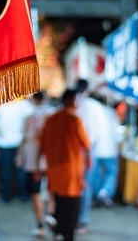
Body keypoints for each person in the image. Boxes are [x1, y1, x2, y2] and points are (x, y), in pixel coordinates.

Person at [37, 89, 91, 241]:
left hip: (54, 169)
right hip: (71, 170)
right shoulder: (74, 120)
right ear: (70, 101)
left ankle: (59, 231)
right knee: (72, 206)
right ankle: (67, 234)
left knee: (59, 202)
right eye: (76, 100)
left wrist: (38, 166)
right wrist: (89, 161)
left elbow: (42, 144)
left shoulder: (51, 119)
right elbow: (86, 144)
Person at [15, 90, 56, 237]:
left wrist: (19, 155)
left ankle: (40, 225)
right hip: (51, 159)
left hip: (33, 159)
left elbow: (24, 138)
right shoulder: (53, 114)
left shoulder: (29, 115)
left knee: (36, 193)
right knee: (52, 190)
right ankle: (51, 216)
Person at [74, 79, 104, 234]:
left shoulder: (74, 104)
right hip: (88, 148)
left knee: (75, 185)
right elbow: (98, 132)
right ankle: (82, 221)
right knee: (85, 185)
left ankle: (73, 219)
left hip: (75, 149)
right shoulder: (94, 106)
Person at [0, 97, 34, 203]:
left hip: (4, 143)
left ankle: (7, 196)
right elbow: (29, 119)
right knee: (19, 170)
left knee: (6, 170)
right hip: (18, 142)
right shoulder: (23, 105)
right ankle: (22, 194)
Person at [90, 97, 120, 208]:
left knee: (95, 173)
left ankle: (98, 194)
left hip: (96, 149)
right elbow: (117, 133)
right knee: (111, 172)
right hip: (110, 149)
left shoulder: (93, 112)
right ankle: (105, 192)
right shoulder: (111, 113)